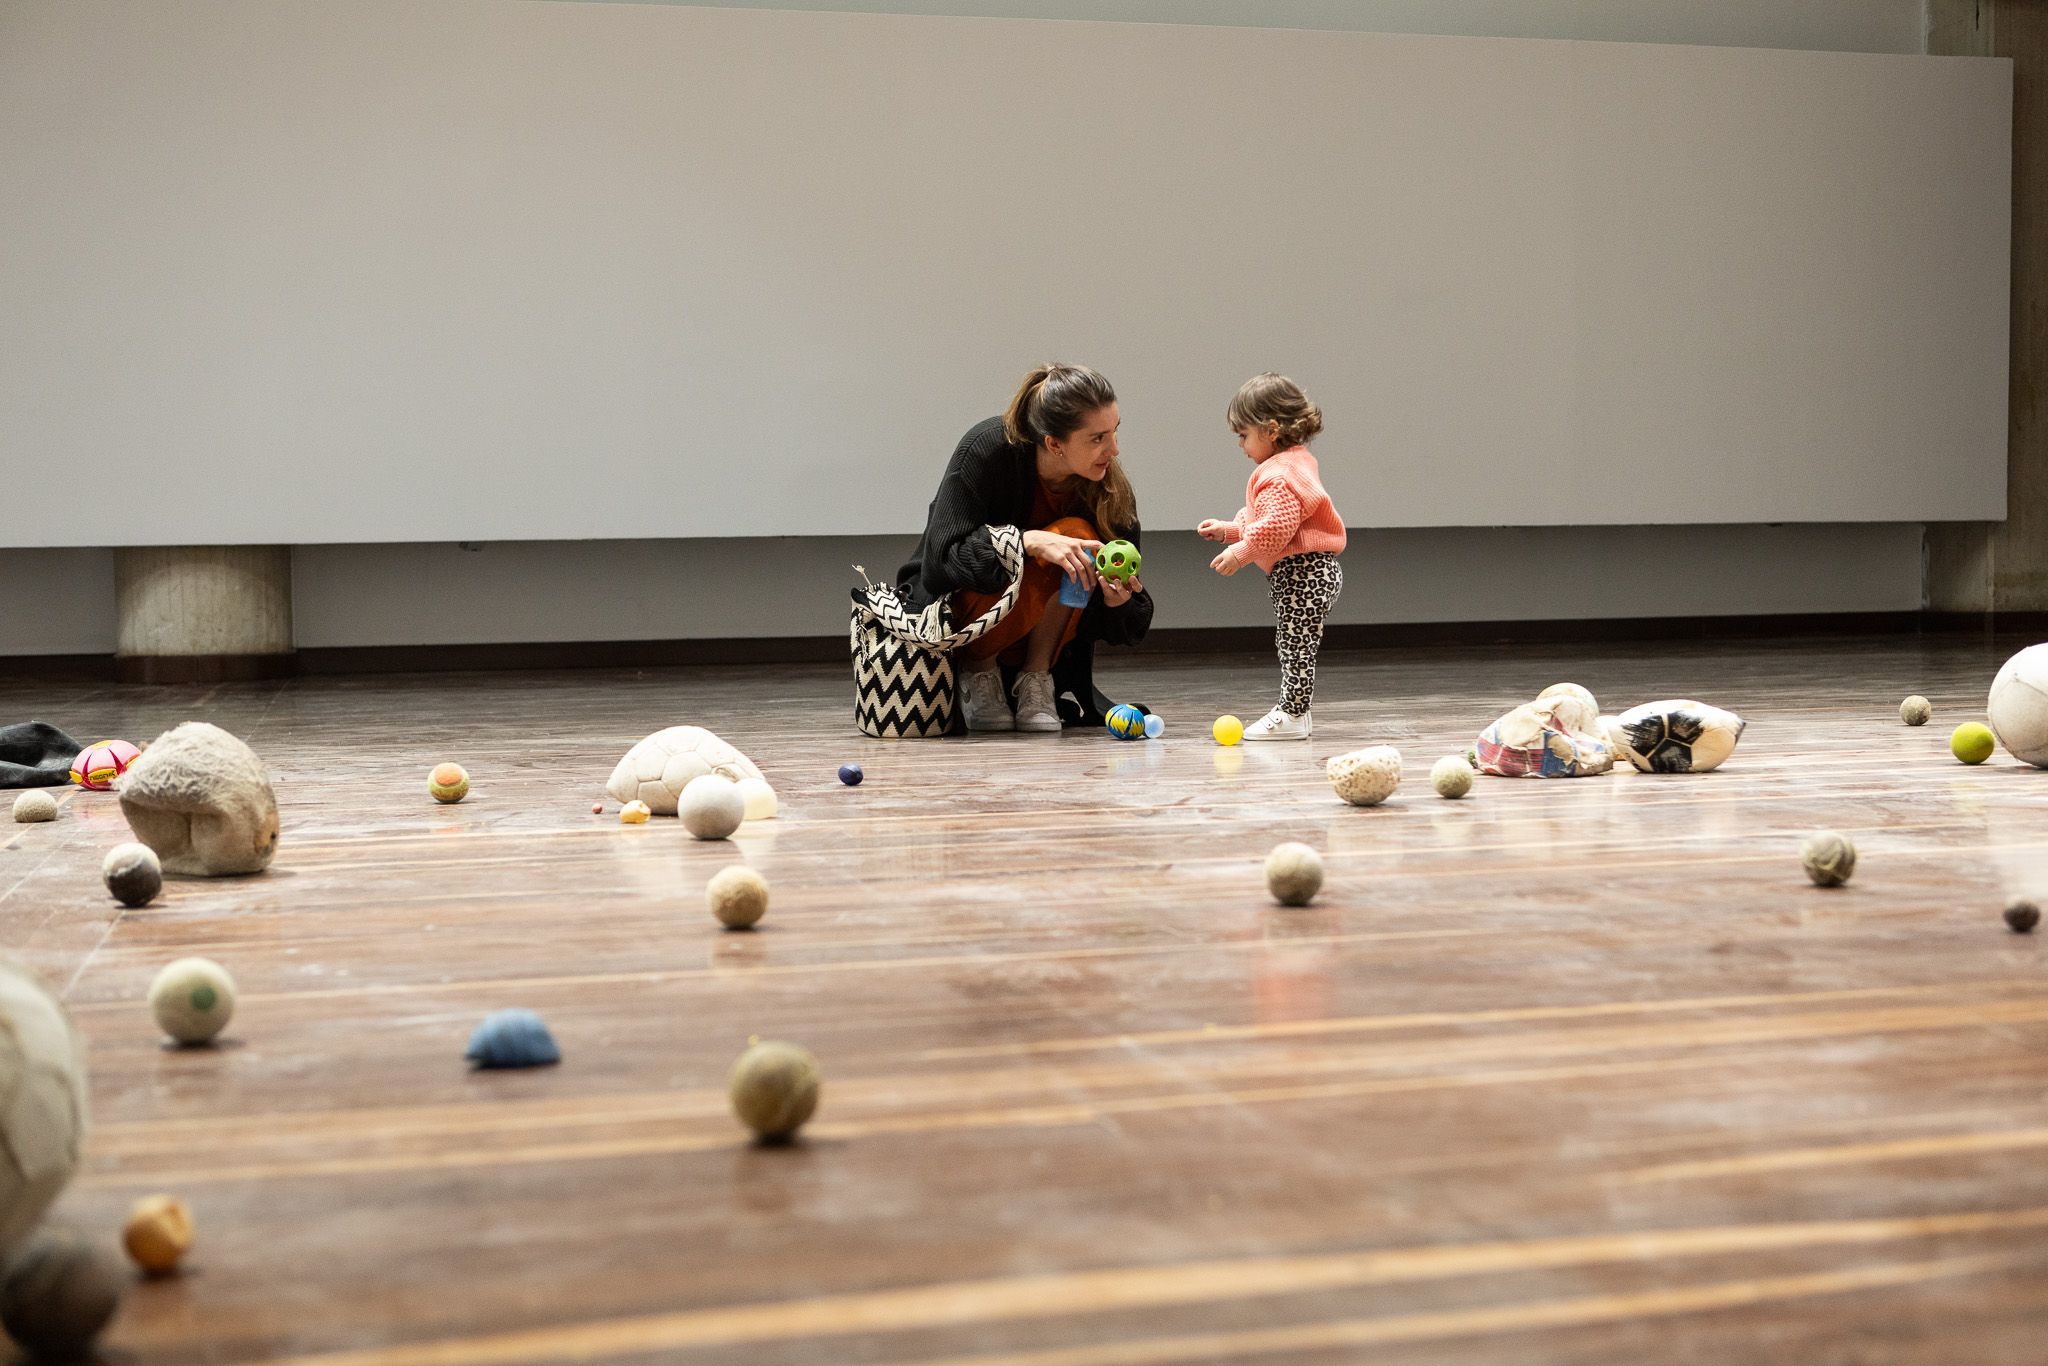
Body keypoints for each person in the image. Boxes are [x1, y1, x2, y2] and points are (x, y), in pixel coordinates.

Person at [895, 363, 1153, 732]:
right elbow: (938, 566)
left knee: (1076, 533)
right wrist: (1024, 542)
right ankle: (978, 671)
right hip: (963, 627)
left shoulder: (1107, 487)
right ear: (1053, 444)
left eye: (1114, 432)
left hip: (1042, 637)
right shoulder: (986, 449)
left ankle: (1037, 679)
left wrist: (1118, 600)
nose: (1113, 449)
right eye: (1097, 438)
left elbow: (1129, 626)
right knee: (1069, 534)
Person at [1197, 373, 1347, 740]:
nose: (1241, 445)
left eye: (1243, 435)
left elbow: (1276, 530)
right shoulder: (1295, 463)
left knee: (1295, 646)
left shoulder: (1279, 475)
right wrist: (1229, 530)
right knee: (1294, 643)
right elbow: (1273, 522)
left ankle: (1292, 715)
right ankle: (1298, 714)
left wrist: (1240, 552)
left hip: (1303, 572)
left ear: (1272, 429)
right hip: (1307, 570)